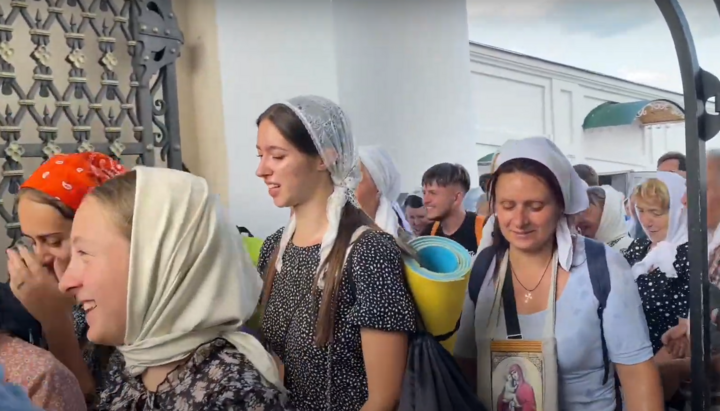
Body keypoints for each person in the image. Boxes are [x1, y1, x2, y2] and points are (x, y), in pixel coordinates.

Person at [454, 136, 663, 411]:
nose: (519, 221)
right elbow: (466, 370)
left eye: (535, 206)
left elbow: (638, 381)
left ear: (562, 203)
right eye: (507, 205)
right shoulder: (484, 270)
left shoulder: (602, 269)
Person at [58, 167, 291, 410]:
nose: (65, 282)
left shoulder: (234, 395)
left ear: (156, 262)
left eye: (84, 253)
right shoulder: (130, 362)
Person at [255, 96, 416, 411]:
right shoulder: (275, 249)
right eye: (260, 155)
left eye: (277, 156)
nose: (262, 170)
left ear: (324, 159)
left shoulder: (368, 252)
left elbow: (385, 397)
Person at [7, 152, 126, 407]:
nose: (40, 258)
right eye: (31, 242)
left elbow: (88, 402)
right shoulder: (58, 296)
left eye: (52, 241)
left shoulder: (118, 306)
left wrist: (55, 321)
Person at [622, 173, 689, 356]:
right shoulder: (638, 248)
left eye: (656, 212)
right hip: (628, 353)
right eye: (641, 210)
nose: (646, 221)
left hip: (666, 361)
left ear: (678, 211)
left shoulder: (690, 255)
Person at [422, 163, 484, 255]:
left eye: (433, 193)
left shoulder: (485, 229)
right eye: (424, 193)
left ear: (456, 198)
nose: (425, 200)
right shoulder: (427, 236)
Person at [356, 145, 413, 238]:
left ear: (378, 186)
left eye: (357, 178)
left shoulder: (402, 244)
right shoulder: (334, 237)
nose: (347, 186)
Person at [574, 186, 633, 252]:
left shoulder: (631, 251)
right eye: (578, 229)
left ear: (608, 218)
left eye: (586, 227)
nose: (581, 234)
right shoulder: (583, 251)